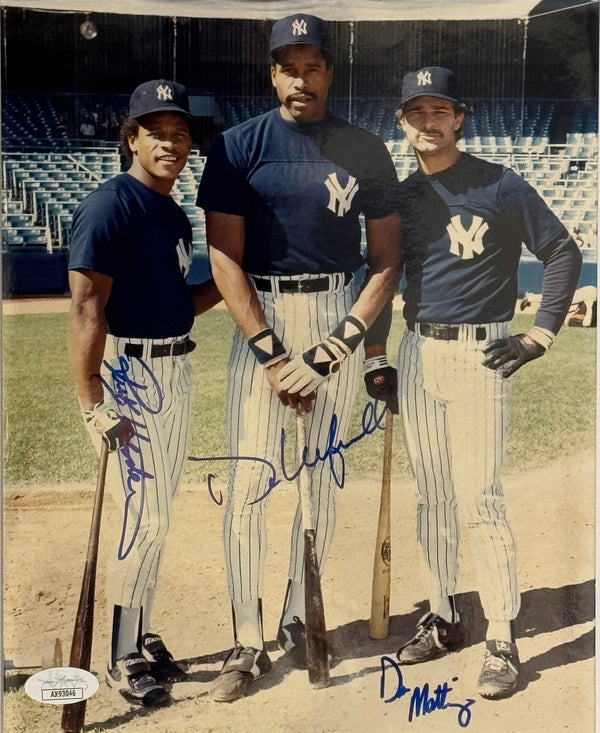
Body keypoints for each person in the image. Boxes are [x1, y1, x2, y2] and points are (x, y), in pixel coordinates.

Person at [196, 13, 402, 702]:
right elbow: (224, 256)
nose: (301, 78)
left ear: (330, 74)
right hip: (262, 314)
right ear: (272, 73)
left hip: (334, 317)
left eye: (313, 66)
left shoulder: (365, 148)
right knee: (250, 485)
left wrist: (332, 348)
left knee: (323, 482)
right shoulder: (237, 146)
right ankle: (246, 640)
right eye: (289, 66)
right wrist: (271, 351)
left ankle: (293, 619)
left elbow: (386, 261)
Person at [381, 66, 581, 699]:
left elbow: (562, 251)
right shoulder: (404, 196)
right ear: (402, 123)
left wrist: (540, 333)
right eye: (418, 112)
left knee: (480, 498)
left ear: (460, 118)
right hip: (417, 353)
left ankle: (501, 635)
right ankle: (443, 616)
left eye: (441, 110)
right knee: (432, 500)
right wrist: (375, 359)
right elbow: (383, 278)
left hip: (480, 356)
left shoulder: (499, 183)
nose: (429, 122)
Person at [68, 79, 221, 707]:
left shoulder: (171, 211)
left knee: (158, 514)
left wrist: (242, 278)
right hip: (129, 373)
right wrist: (92, 400)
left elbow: (179, 305)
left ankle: (139, 630)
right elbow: (85, 307)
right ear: (130, 138)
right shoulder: (111, 205)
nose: (170, 141)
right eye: (155, 130)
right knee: (144, 515)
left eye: (180, 132)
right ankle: (120, 654)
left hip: (172, 370)